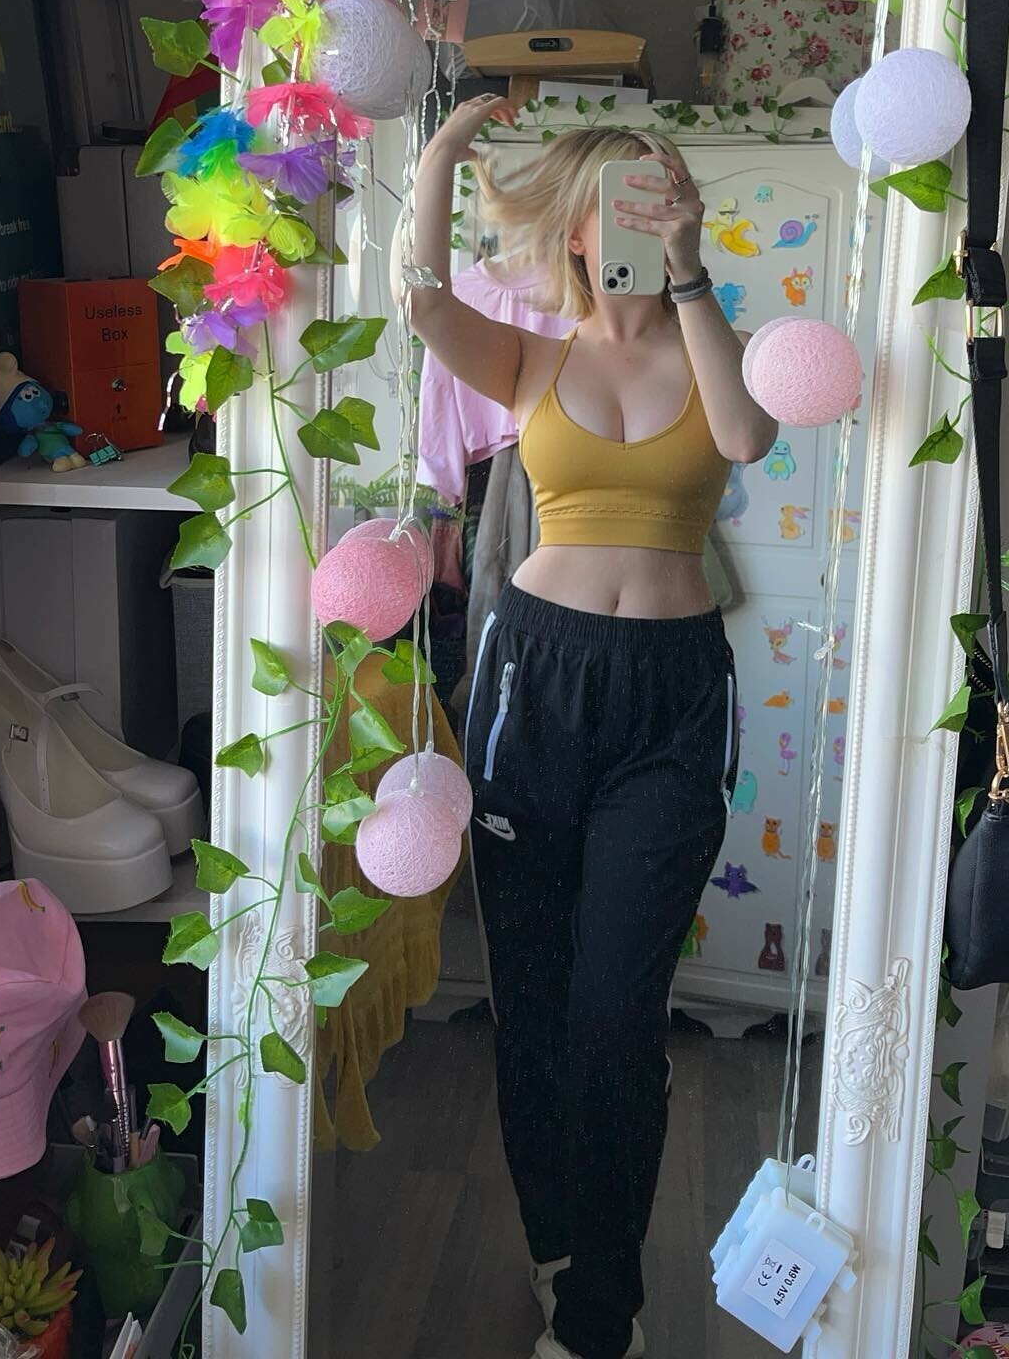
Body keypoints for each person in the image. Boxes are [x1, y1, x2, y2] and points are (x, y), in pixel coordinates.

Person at [405, 96, 778, 1359]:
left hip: (672, 697)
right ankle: (559, 1239)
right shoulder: (533, 359)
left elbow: (746, 435)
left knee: (620, 1018)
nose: (633, 222)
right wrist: (442, 157)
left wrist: (691, 272)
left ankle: (601, 1313)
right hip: (535, 683)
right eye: (615, 206)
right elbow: (423, 306)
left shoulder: (715, 344)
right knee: (535, 1003)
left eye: (656, 198)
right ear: (575, 229)